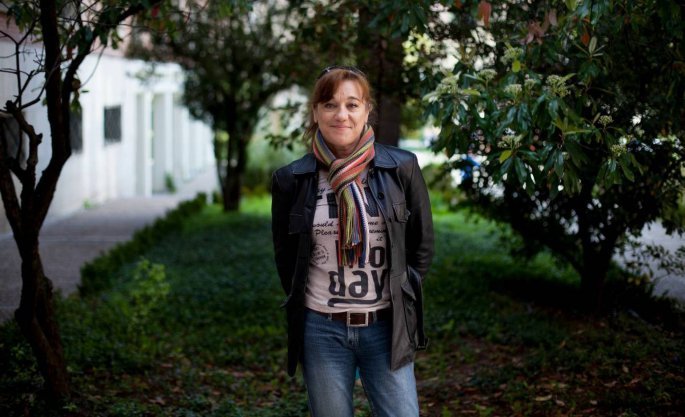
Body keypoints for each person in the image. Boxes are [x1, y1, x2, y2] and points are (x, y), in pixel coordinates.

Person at [271, 65, 434, 417]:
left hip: (386, 327)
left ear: (367, 109)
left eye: (352, 104)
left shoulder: (401, 168)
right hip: (321, 330)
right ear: (315, 112)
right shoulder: (291, 179)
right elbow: (287, 260)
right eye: (330, 104)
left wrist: (401, 296)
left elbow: (421, 246)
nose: (341, 114)